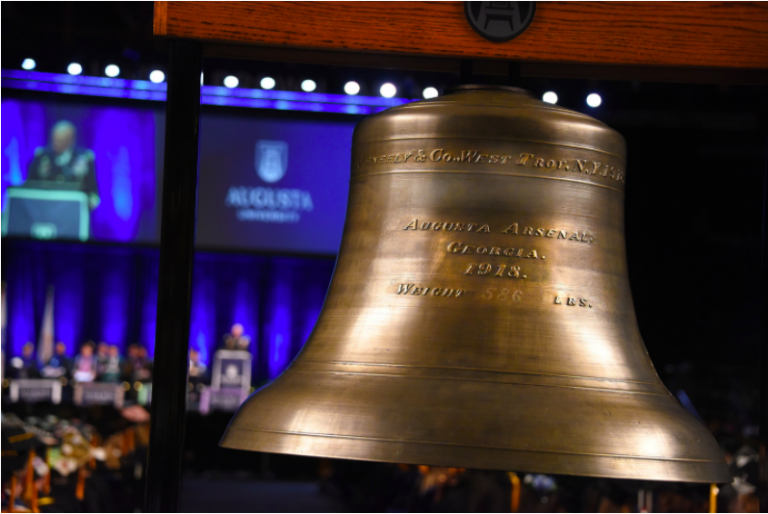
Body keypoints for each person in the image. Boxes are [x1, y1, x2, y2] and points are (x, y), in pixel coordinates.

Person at [25, 120, 100, 209]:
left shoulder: (84, 157)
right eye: (54, 140)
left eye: (61, 141)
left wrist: (89, 203)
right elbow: (30, 185)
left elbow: (92, 191)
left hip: (73, 210)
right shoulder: (41, 155)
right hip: (45, 209)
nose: (56, 144)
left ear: (71, 140)